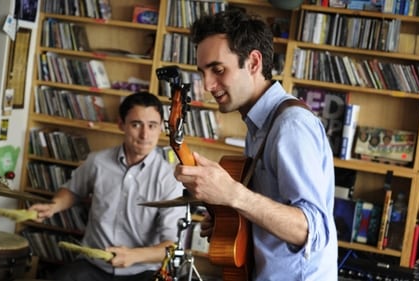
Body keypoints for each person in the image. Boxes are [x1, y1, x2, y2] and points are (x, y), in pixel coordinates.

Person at [173, 9, 338, 280]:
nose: (207, 85)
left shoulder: (291, 126)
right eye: (202, 73)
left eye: (217, 69)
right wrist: (230, 217)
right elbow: (270, 208)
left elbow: (312, 231)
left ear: (253, 62)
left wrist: (232, 194)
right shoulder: (258, 124)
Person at [29, 92, 185, 281]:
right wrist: (54, 206)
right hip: (93, 264)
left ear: (161, 127)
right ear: (121, 125)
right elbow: (73, 190)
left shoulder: (169, 179)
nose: (145, 134)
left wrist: (134, 256)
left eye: (152, 126)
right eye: (136, 124)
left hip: (140, 270)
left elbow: (172, 245)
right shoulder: (98, 161)